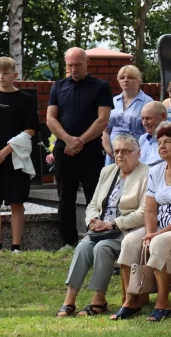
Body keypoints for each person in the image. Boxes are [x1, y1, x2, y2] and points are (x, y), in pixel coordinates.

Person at [111, 124, 171, 321]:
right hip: (158, 227)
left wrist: (157, 234)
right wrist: (149, 233)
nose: (162, 146)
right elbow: (150, 209)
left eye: (168, 142)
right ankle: (131, 300)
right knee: (130, 241)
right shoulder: (155, 171)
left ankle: (162, 302)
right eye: (159, 142)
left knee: (159, 243)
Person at [58, 134, 149, 316]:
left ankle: (99, 299)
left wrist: (112, 224)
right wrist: (92, 221)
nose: (120, 155)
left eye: (125, 151)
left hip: (127, 231)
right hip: (101, 230)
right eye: (117, 151)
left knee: (102, 248)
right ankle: (69, 300)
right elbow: (93, 204)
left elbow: (144, 211)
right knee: (83, 247)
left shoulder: (147, 174)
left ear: (138, 153)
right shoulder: (107, 171)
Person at [47, 47, 113, 245]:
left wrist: (80, 141)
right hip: (64, 150)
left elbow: (102, 120)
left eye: (77, 65)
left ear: (87, 63)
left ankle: (94, 239)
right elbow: (50, 119)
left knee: (94, 197)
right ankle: (68, 242)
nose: (73, 69)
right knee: (65, 198)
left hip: (91, 150)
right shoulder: (58, 86)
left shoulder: (101, 86)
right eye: (70, 65)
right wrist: (68, 139)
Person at [0, 57, 38, 252]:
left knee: (16, 201)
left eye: (5, 73)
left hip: (16, 158)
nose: (1, 76)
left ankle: (16, 246)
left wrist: (6, 150)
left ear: (15, 75)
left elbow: (30, 129)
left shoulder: (26, 99)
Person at [102, 65, 152, 163]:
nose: (125, 80)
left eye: (130, 77)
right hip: (114, 151)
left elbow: (149, 131)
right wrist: (109, 150)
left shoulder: (148, 102)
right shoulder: (113, 101)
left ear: (139, 81)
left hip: (135, 150)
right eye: (122, 78)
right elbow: (105, 131)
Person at [136, 102, 168, 167]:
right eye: (143, 118)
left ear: (163, 116)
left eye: (148, 118)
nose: (144, 123)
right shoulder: (143, 138)